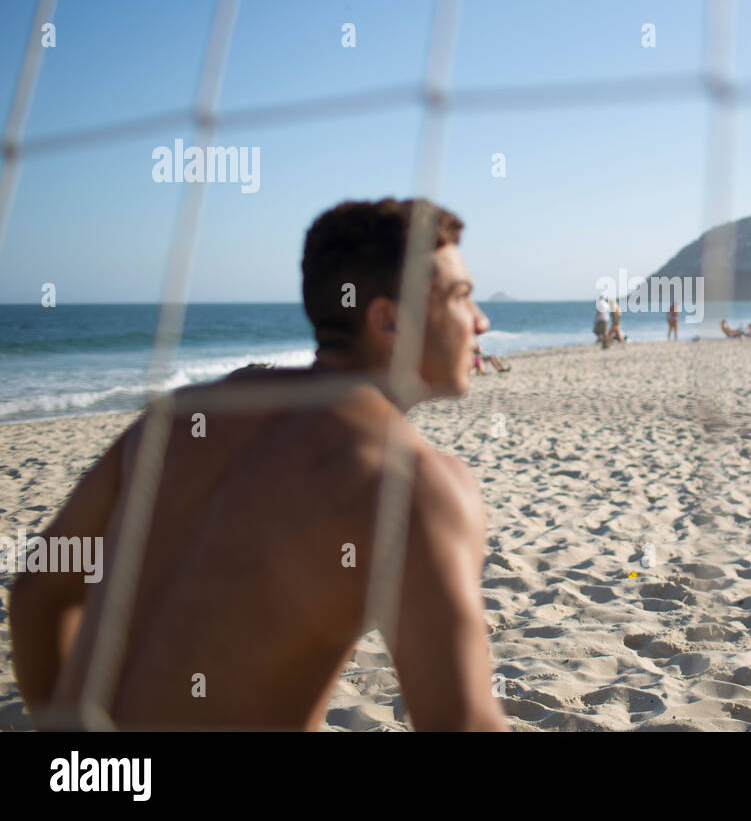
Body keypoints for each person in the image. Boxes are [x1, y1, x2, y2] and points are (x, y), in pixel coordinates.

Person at [10, 198, 508, 731]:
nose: (482, 321)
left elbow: (37, 591)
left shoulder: (176, 418)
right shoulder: (412, 483)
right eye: (461, 297)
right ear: (387, 320)